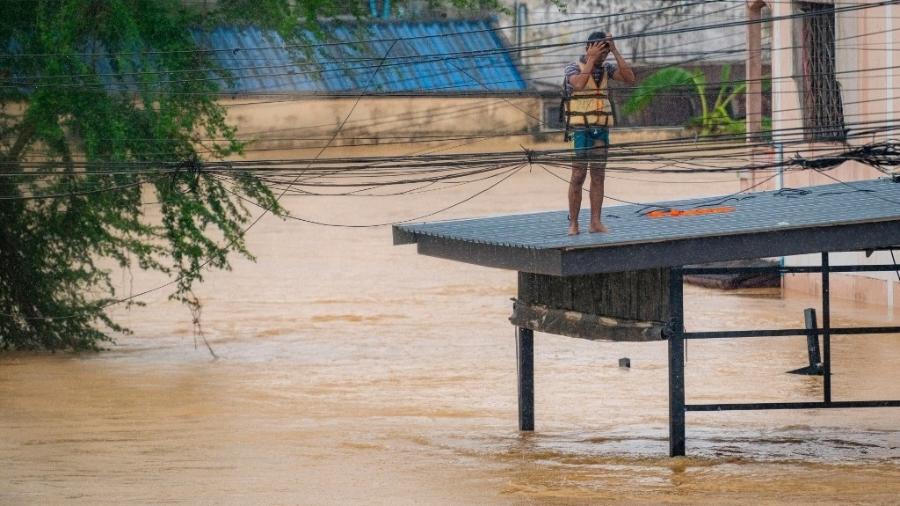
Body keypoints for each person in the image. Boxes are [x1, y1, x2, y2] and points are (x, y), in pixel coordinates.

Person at [564, 31, 635, 235]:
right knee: (578, 174)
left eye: (605, 53)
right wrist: (591, 59)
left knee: (598, 174)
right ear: (588, 48)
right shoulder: (573, 67)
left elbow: (629, 78)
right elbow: (578, 84)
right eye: (599, 52)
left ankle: (595, 222)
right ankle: (573, 223)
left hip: (601, 128)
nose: (602, 57)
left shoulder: (606, 68)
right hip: (580, 129)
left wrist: (615, 51)